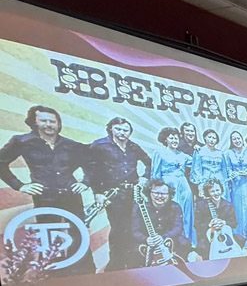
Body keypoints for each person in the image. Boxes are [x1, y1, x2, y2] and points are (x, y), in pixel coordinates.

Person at [0, 105, 95, 273]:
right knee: (49, 237)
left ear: (59, 124)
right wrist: (20, 185)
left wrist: (85, 182)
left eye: (53, 121)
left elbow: (92, 164)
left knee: (79, 233)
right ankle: (53, 274)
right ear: (34, 122)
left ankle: (85, 273)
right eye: (43, 120)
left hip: (71, 196)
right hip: (45, 198)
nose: (49, 125)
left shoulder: (71, 145)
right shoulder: (22, 141)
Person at [86, 117, 152, 272]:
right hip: (113, 194)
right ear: (111, 129)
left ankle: (133, 264)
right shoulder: (99, 146)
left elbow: (149, 163)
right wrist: (97, 192)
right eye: (118, 129)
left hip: (134, 193)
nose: (122, 133)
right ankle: (116, 266)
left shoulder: (134, 147)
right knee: (118, 229)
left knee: (134, 227)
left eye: (125, 130)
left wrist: (145, 177)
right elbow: (91, 170)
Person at [151, 127, 195, 248]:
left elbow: (197, 163)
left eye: (176, 138)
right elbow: (155, 174)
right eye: (171, 138)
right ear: (165, 139)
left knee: (186, 212)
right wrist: (157, 190)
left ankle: (187, 240)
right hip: (168, 185)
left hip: (183, 185)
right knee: (172, 212)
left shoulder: (183, 155)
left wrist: (198, 151)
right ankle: (171, 241)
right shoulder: (159, 153)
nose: (175, 140)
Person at [128, 179, 190, 265]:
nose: (160, 196)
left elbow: (177, 228)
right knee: (133, 250)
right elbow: (135, 230)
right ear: (149, 193)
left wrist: (163, 237)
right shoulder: (139, 207)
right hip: (147, 240)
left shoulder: (175, 207)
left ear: (169, 195)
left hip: (168, 239)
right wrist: (146, 239)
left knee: (184, 243)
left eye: (164, 194)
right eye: (156, 193)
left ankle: (180, 267)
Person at [223, 131, 247, 248]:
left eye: (238, 138)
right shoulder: (228, 153)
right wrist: (232, 174)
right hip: (237, 186)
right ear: (231, 141)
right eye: (234, 139)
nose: (237, 141)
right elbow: (228, 169)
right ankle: (240, 240)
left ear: (242, 139)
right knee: (239, 212)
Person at [192, 178, 242, 260]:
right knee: (202, 247)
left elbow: (234, 223)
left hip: (225, 234)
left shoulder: (228, 205)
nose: (216, 193)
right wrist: (210, 225)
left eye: (217, 190)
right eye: (212, 191)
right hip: (209, 236)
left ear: (221, 190)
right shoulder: (201, 205)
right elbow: (197, 225)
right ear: (208, 193)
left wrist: (224, 222)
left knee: (240, 239)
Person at [190, 129, 227, 199]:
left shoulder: (220, 153)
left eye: (214, 138)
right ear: (205, 138)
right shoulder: (199, 151)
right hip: (205, 179)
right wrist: (200, 184)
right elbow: (196, 169)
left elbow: (224, 169)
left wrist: (225, 182)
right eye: (209, 137)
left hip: (220, 179)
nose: (211, 140)